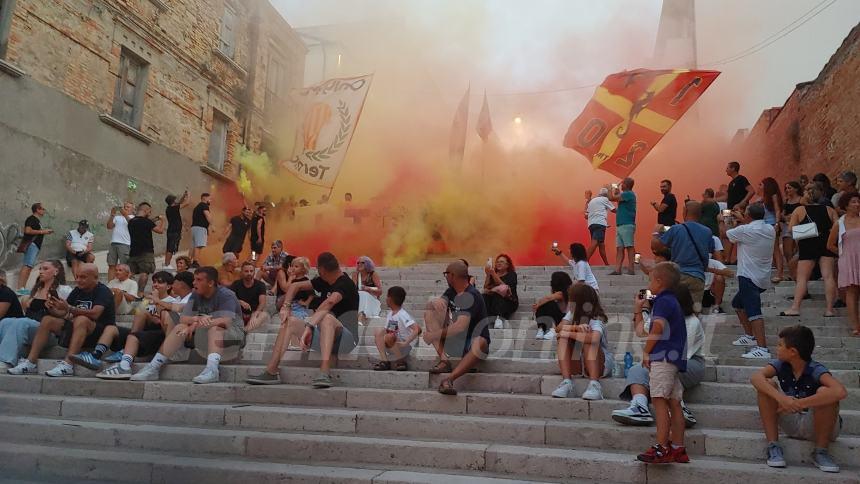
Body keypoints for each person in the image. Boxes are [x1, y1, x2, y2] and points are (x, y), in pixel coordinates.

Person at [246, 252, 359, 388]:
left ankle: (324, 372)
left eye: (317, 268)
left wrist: (309, 326)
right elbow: (295, 286)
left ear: (322, 269)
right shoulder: (324, 280)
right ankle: (271, 371)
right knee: (290, 322)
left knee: (326, 317)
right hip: (323, 337)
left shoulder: (345, 283)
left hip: (346, 340)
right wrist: (286, 307)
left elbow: (329, 302)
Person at [751, 325, 847, 473]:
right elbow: (756, 378)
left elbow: (840, 391)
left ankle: (821, 451)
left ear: (793, 352)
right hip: (792, 420)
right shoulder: (781, 365)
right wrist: (782, 399)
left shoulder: (815, 369)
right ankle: (773, 447)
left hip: (817, 424)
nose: (777, 348)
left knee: (826, 393)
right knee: (766, 386)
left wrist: (800, 403)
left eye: (780, 345)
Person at [130, 266, 245, 384]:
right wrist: (197, 319)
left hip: (233, 336)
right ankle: (154, 367)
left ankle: (212, 370)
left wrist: (198, 323)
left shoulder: (226, 295)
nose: (194, 283)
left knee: (215, 328)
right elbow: (184, 318)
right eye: (194, 279)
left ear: (210, 283)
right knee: (180, 327)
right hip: (204, 334)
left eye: (199, 280)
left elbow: (226, 321)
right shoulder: (195, 294)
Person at [612, 284, 704, 428]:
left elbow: (681, 355)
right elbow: (641, 331)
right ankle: (639, 406)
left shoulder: (692, 322)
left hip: (690, 362)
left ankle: (680, 407)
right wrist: (640, 308)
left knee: (668, 369)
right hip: (663, 359)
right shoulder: (662, 318)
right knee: (637, 369)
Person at [8, 263, 115, 377]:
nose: (78, 280)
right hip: (76, 329)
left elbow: (95, 314)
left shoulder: (103, 291)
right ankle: (30, 362)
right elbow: (65, 313)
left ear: (95, 277)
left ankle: (68, 364)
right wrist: (54, 308)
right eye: (77, 277)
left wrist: (69, 308)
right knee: (47, 320)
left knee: (81, 319)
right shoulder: (78, 290)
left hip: (100, 333)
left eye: (83, 277)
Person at [634, 262, 689, 464]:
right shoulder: (670, 300)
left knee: (658, 400)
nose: (649, 284)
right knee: (674, 402)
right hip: (674, 357)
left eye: (651, 280)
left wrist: (647, 352)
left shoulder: (663, 303)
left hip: (662, 357)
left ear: (659, 281)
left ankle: (661, 447)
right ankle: (678, 447)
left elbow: (657, 329)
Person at [95, 271, 194, 379]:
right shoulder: (176, 299)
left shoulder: (174, 300)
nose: (155, 285)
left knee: (135, 333)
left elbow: (164, 320)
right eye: (154, 282)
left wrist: (156, 302)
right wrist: (146, 303)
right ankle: (95, 356)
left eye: (159, 282)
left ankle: (125, 364)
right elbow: (137, 312)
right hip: (144, 332)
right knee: (112, 328)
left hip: (163, 336)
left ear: (170, 285)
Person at [422, 260, 490, 396]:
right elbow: (442, 302)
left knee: (481, 341)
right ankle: (444, 360)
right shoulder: (452, 290)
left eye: (446, 274)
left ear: (452, 276)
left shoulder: (472, 295)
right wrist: (436, 301)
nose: (445, 277)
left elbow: (460, 327)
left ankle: (449, 379)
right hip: (456, 342)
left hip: (473, 343)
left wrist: (433, 335)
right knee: (430, 309)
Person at [780, 184, 838, 318]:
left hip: (807, 243)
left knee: (802, 278)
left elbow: (790, 230)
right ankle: (830, 309)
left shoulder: (800, 210)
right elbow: (836, 226)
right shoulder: (829, 209)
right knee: (828, 276)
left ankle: (795, 307)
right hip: (825, 242)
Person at [0, 262, 71, 370]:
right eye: (40, 269)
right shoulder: (36, 290)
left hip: (48, 332)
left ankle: (6, 360)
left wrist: (53, 308)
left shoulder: (64, 290)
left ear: (56, 271)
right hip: (31, 327)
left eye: (45, 269)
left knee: (21, 322)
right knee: (6, 321)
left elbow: (68, 315)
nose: (41, 271)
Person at [727, 203, 776, 359]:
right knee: (737, 304)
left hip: (748, 276)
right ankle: (749, 336)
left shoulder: (744, 230)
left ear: (748, 216)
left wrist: (726, 220)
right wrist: (744, 220)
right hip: (762, 276)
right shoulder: (770, 229)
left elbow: (725, 234)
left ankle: (762, 348)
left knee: (754, 312)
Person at [550, 284, 614, 400]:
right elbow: (558, 328)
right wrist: (575, 328)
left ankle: (595, 385)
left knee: (587, 339)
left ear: (578, 301)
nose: (568, 301)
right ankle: (566, 382)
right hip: (579, 364)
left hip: (600, 365)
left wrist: (569, 332)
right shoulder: (572, 314)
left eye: (570, 298)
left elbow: (594, 338)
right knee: (563, 338)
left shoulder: (596, 317)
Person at [651, 201, 714, 307]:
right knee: (695, 310)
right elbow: (710, 249)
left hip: (679, 275)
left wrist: (656, 232)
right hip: (698, 277)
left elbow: (656, 246)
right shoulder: (707, 231)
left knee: (677, 310)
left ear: (685, 211)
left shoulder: (676, 229)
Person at [828, 192, 860, 335]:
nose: (857, 204)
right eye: (853, 202)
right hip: (848, 260)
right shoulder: (839, 223)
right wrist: (843, 254)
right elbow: (830, 245)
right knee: (851, 292)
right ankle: (855, 326)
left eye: (858, 202)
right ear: (846, 205)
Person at [373, 286, 421, 371]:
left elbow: (417, 329)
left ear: (391, 299)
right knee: (378, 331)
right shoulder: (390, 314)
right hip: (394, 344)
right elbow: (389, 330)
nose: (386, 299)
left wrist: (406, 343)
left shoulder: (402, 314)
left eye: (387, 296)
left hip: (405, 346)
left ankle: (401, 362)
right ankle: (385, 361)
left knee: (389, 336)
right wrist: (379, 335)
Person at [128, 202, 165, 296]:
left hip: (133, 251)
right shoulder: (147, 222)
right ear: (146, 210)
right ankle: (140, 293)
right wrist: (163, 221)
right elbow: (160, 231)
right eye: (150, 211)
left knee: (130, 273)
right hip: (146, 251)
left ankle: (127, 291)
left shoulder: (131, 222)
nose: (150, 213)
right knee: (144, 272)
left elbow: (142, 224)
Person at [723, 161, 755, 264]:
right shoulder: (731, 183)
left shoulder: (741, 179)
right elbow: (727, 197)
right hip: (729, 211)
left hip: (738, 211)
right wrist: (712, 200)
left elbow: (752, 191)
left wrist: (742, 203)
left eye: (727, 168)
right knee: (729, 234)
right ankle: (728, 259)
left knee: (739, 233)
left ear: (733, 168)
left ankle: (736, 258)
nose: (726, 170)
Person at [17, 203, 53, 291]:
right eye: (43, 208)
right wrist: (42, 232)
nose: (44, 210)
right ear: (37, 209)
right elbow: (27, 231)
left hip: (35, 246)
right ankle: (20, 289)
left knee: (29, 266)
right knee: (27, 266)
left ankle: (23, 289)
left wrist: (44, 231)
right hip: (32, 245)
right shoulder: (31, 219)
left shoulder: (37, 220)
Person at [758, 177, 785, 283]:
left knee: (776, 249)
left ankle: (779, 274)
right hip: (764, 225)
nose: (759, 186)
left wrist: (777, 223)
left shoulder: (773, 196)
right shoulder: (764, 198)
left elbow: (778, 210)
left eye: (761, 184)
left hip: (772, 224)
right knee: (767, 249)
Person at [532, 271, 572, 341]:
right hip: (559, 317)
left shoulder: (563, 292)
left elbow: (548, 298)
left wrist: (538, 305)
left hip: (565, 319)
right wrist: (539, 305)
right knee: (544, 305)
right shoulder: (560, 292)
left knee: (549, 303)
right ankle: (541, 329)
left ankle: (552, 329)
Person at [608, 177, 637, 275]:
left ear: (626, 185)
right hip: (621, 224)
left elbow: (611, 198)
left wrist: (609, 189)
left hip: (627, 224)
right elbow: (617, 197)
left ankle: (631, 268)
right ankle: (617, 269)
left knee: (629, 247)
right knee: (619, 248)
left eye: (623, 183)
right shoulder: (625, 195)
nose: (621, 185)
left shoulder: (628, 194)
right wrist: (616, 189)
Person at [482, 254, 519, 329]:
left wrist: (493, 274)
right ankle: (484, 318)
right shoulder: (493, 273)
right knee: (484, 296)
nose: (498, 263)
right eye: (497, 262)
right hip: (493, 302)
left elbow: (505, 288)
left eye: (501, 262)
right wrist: (488, 274)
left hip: (508, 301)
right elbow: (486, 287)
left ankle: (499, 319)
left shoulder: (512, 274)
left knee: (498, 293)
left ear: (507, 265)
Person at [230, 261, 268, 331]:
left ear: (254, 272)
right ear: (241, 272)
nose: (249, 273)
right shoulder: (236, 284)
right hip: (239, 314)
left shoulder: (260, 285)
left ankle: (245, 331)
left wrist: (255, 314)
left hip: (253, 313)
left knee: (264, 315)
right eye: (246, 271)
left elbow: (262, 303)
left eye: (251, 271)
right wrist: (240, 302)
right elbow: (229, 299)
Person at [585, 187, 616, 264]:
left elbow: (586, 216)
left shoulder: (592, 201)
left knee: (601, 245)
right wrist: (623, 211)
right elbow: (613, 209)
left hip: (591, 224)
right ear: (606, 195)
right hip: (599, 223)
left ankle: (606, 264)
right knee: (594, 243)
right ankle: (584, 262)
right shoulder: (605, 199)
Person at [781, 181, 803, 281]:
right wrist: (785, 217)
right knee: (787, 251)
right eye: (786, 188)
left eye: (789, 188)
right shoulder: (787, 201)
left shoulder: (802, 200)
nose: (787, 190)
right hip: (788, 226)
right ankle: (792, 272)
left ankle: (799, 271)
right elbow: (782, 213)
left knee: (800, 250)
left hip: (800, 226)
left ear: (796, 189)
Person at [106, 201, 134, 281]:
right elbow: (109, 226)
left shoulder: (133, 218)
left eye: (128, 207)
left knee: (125, 267)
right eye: (124, 206)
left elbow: (132, 224)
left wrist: (125, 214)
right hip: (113, 243)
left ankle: (125, 285)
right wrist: (112, 215)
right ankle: (110, 286)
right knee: (111, 265)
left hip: (125, 244)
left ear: (132, 209)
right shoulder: (117, 217)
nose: (125, 208)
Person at [353, 255, 382, 325]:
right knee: (361, 294)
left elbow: (380, 292)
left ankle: (361, 316)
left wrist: (368, 289)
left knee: (364, 294)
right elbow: (353, 290)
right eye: (358, 263)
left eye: (362, 262)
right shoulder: (355, 275)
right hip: (359, 299)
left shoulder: (373, 274)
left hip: (372, 301)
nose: (359, 264)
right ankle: (360, 315)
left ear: (368, 264)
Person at [164, 189, 189, 269]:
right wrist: (189, 195)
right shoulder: (173, 208)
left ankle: (166, 264)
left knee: (171, 247)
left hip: (173, 231)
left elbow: (180, 202)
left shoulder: (171, 208)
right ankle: (167, 265)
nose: (176, 201)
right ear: (173, 201)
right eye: (175, 200)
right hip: (173, 231)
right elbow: (186, 203)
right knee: (170, 248)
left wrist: (184, 195)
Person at [189, 193, 212, 265]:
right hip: (200, 228)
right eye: (209, 199)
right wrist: (212, 225)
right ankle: (195, 262)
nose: (210, 200)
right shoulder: (204, 205)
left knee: (193, 246)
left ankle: (188, 261)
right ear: (205, 198)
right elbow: (207, 215)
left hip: (194, 228)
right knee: (198, 245)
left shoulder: (197, 207)